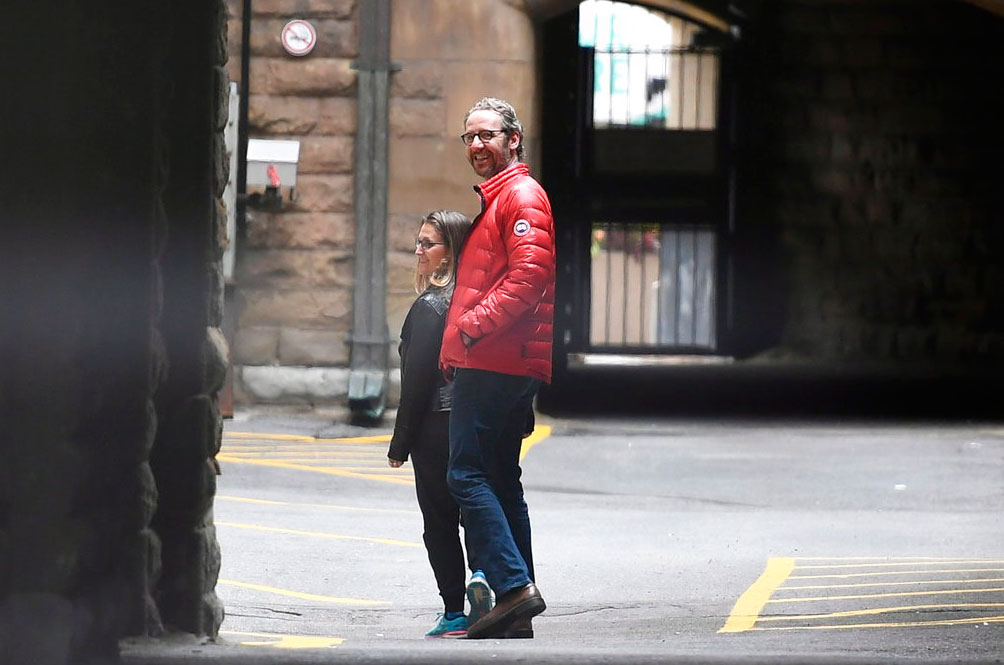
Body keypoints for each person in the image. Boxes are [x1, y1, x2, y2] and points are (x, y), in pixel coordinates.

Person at [439, 97, 556, 640]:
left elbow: (529, 277)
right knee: (503, 482)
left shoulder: (521, 195)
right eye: (469, 138)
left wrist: (469, 327)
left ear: (513, 139)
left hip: (494, 360)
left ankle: (512, 588)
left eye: (486, 135)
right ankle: (517, 603)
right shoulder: (501, 197)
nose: (476, 146)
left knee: (465, 474)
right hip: (502, 360)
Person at [386, 210, 491, 638]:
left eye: (428, 243)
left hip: (436, 424)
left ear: (451, 253)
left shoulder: (430, 306)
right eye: (418, 241)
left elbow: (416, 381)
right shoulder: (485, 299)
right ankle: (485, 577)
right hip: (479, 419)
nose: (418, 251)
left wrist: (399, 443)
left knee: (440, 521)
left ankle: (454, 612)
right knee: (480, 508)